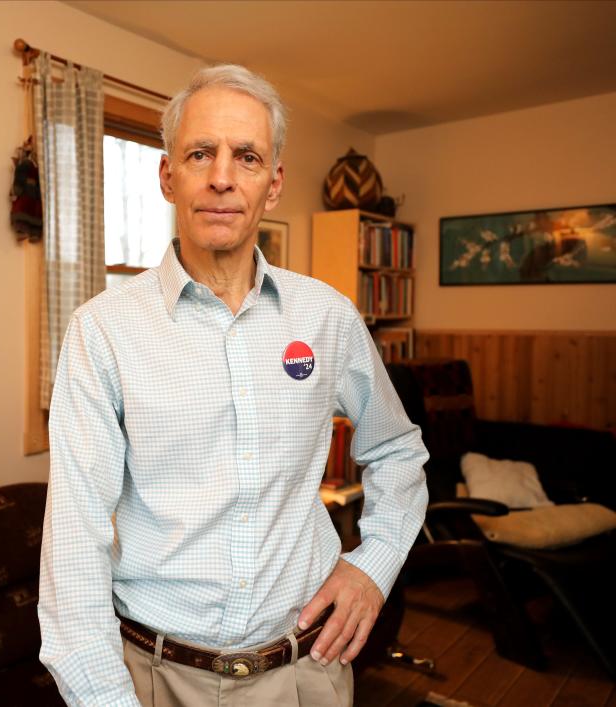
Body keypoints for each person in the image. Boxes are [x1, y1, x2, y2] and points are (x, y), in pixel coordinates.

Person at [38, 64, 429, 706]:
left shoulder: (326, 316)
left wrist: (374, 565)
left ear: (272, 184)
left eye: (246, 156)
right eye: (200, 153)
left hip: (308, 675)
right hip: (155, 680)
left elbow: (397, 451)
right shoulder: (101, 332)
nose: (222, 176)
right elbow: (74, 548)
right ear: (168, 176)